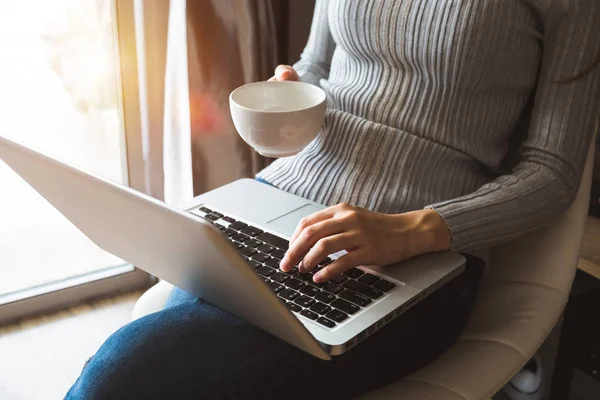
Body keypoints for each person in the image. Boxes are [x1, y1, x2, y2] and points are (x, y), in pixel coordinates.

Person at [66, 0, 600, 398]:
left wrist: (412, 229)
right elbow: (318, 65)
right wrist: (290, 88)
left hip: (411, 258)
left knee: (120, 375)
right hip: (276, 201)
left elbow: (552, 173)